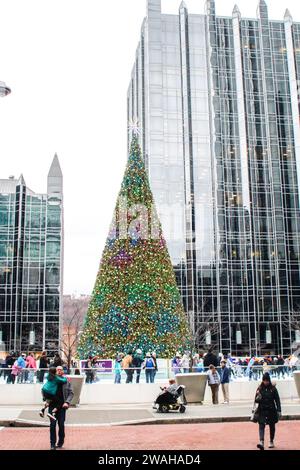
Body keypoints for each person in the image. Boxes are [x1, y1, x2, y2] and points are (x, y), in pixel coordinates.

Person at [48, 366, 74, 450]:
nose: (59, 371)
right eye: (57, 370)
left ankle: (60, 442)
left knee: (61, 425)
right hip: (52, 406)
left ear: (63, 371)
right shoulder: (51, 380)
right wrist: (46, 399)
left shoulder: (66, 381)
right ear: (55, 371)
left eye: (61, 370)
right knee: (52, 425)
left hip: (62, 407)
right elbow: (45, 390)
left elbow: (71, 393)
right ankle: (52, 444)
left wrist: (67, 402)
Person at [255, 372, 281, 450]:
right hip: (262, 410)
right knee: (261, 425)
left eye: (267, 380)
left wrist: (279, 410)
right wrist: (258, 397)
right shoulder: (259, 388)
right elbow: (256, 401)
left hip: (271, 410)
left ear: (269, 380)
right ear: (262, 380)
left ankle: (271, 441)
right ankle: (261, 442)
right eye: (264, 380)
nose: (266, 382)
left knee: (272, 426)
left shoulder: (273, 388)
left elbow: (277, 400)